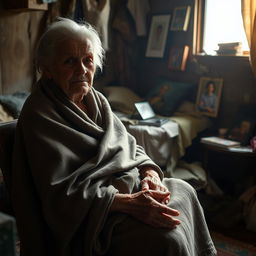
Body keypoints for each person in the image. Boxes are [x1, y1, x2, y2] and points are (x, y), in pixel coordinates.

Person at [11, 17, 217, 256]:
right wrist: (130, 204)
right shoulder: (39, 113)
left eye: (88, 60)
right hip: (95, 217)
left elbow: (129, 146)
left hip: (129, 190)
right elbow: (59, 195)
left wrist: (149, 173)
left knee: (185, 190)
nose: (81, 70)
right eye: (69, 61)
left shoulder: (96, 100)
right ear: (47, 68)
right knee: (168, 239)